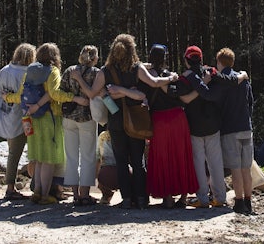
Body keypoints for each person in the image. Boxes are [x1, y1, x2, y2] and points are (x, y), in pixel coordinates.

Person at [71, 33, 177, 209]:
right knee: (137, 161)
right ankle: (142, 198)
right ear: (131, 50)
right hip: (136, 119)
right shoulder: (137, 68)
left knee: (121, 161)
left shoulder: (105, 72)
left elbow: (91, 94)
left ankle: (127, 199)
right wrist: (171, 78)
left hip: (116, 120)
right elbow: (155, 82)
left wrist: (80, 79)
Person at [176, 44, 245, 209]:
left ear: (186, 60)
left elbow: (181, 97)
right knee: (215, 162)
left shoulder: (185, 77)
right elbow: (230, 81)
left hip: (194, 126)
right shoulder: (212, 72)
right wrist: (243, 75)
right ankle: (220, 197)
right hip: (214, 124)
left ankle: (202, 198)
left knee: (198, 162)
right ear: (201, 58)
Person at [24, 42, 83, 205]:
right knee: (49, 159)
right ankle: (44, 195)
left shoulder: (30, 70)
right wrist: (73, 97)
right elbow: (54, 94)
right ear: (55, 57)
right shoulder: (53, 71)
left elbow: (22, 92)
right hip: (50, 117)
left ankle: (36, 192)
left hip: (33, 118)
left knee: (39, 159)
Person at [139, 43, 198, 208]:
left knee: (163, 157)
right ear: (165, 58)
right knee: (181, 155)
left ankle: (168, 197)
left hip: (159, 119)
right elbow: (178, 94)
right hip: (178, 117)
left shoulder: (146, 76)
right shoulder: (171, 75)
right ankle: (183, 197)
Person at [0, 42, 36, 200]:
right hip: (25, 118)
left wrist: (6, 102)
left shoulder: (5, 70)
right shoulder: (29, 73)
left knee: (13, 153)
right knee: (32, 153)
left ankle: (13, 186)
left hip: (6, 116)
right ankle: (12, 188)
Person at [214, 47, 256, 215]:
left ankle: (238, 202)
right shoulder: (244, 79)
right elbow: (250, 102)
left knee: (236, 169)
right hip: (246, 127)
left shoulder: (223, 81)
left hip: (230, 128)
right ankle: (248, 201)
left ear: (219, 62)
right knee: (246, 168)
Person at [59, 45, 101, 206]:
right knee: (88, 157)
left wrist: (73, 98)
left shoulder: (69, 70)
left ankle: (75, 193)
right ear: (94, 58)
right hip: (87, 117)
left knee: (71, 157)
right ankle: (85, 194)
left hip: (69, 117)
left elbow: (60, 92)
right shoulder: (96, 73)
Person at [96, 130, 119, 204]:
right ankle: (128, 197)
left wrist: (97, 177)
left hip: (105, 173)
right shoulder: (128, 133)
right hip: (124, 172)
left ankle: (106, 196)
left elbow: (97, 158)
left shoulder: (103, 135)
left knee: (103, 172)